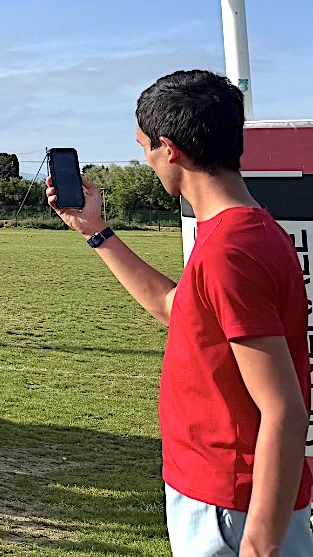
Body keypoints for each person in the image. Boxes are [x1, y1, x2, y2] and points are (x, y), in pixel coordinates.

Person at [47, 70, 312, 557]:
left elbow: (284, 410)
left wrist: (260, 543)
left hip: (231, 505)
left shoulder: (230, 251)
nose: (146, 160)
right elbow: (176, 308)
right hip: (225, 498)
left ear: (170, 149)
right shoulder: (246, 232)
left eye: (144, 147)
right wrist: (95, 230)